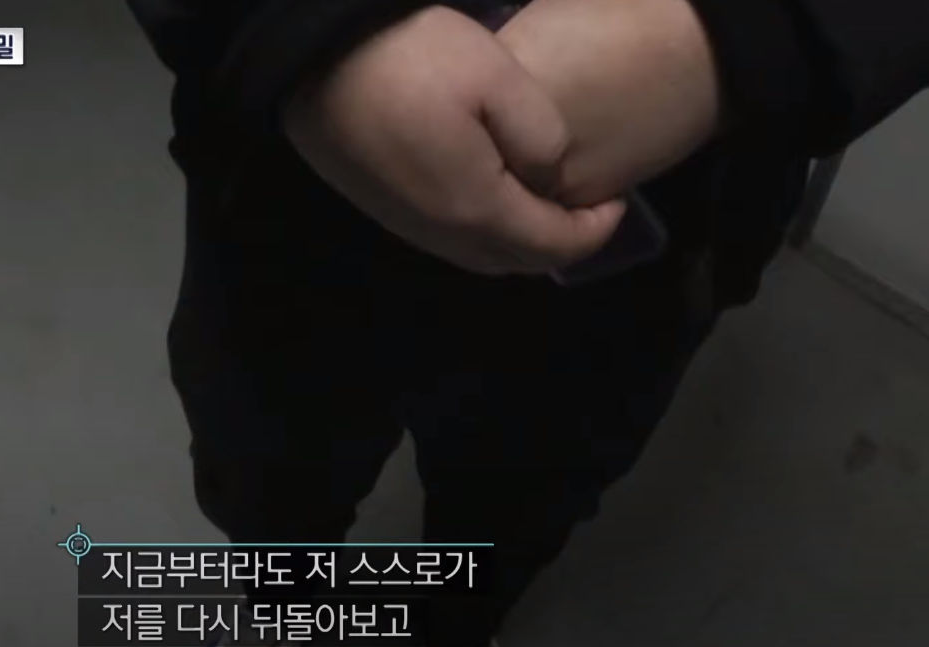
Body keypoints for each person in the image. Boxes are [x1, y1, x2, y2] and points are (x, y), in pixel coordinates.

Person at [126, 0, 929, 644]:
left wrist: (737, 35)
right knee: (266, 464)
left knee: (514, 504)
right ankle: (288, 597)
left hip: (648, 246)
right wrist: (286, 24)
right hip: (284, 192)